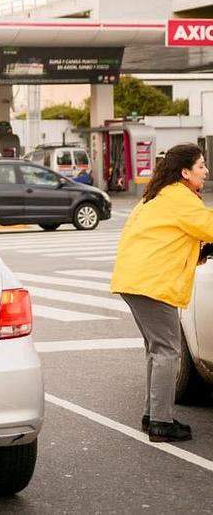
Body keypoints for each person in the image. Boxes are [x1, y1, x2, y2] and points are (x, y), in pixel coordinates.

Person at [110, 143, 213, 443]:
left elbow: (168, 239)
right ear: (185, 172)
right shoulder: (180, 198)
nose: (206, 172)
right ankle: (161, 422)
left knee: (157, 351)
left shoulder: (157, 196)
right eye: (201, 166)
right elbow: (209, 227)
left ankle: (152, 414)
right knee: (168, 352)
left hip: (137, 281)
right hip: (152, 284)